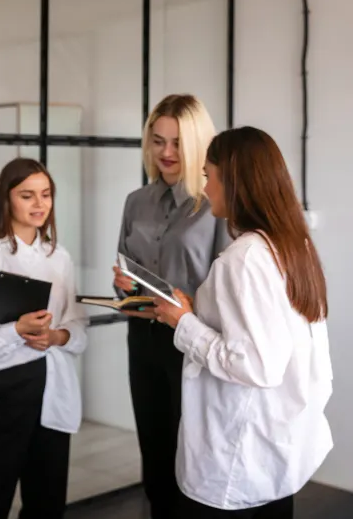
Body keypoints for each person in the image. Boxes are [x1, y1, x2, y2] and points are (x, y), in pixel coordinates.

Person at [154, 127, 333, 519]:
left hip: (238, 453)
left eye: (208, 176)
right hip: (276, 447)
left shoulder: (246, 258)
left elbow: (255, 364)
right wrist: (192, 311)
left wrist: (183, 323)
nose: (205, 189)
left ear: (233, 182)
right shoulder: (293, 246)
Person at [0, 158, 88, 519]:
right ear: (6, 200)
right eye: (27, 195)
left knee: (47, 502)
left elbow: (79, 326)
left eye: (46, 195)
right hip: (6, 389)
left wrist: (57, 335)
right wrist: (15, 330)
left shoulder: (61, 258)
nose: (39, 204)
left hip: (54, 388)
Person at [112, 93, 228, 518]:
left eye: (177, 143)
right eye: (157, 141)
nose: (165, 153)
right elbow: (126, 270)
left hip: (192, 343)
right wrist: (124, 285)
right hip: (142, 338)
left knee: (193, 454)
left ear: (197, 144)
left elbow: (230, 287)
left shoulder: (216, 207)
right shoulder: (135, 202)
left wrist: (188, 308)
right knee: (155, 452)